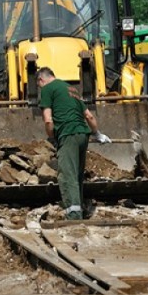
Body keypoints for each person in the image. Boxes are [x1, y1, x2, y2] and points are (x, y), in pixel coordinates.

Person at [36, 67, 111, 220]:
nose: (40, 88)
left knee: (67, 175)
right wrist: (97, 134)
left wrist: (52, 138)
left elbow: (48, 119)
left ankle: (74, 215)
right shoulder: (72, 89)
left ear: (41, 80)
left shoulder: (47, 89)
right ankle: (78, 208)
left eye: (39, 86)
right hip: (83, 134)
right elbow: (89, 116)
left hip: (67, 134)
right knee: (77, 175)